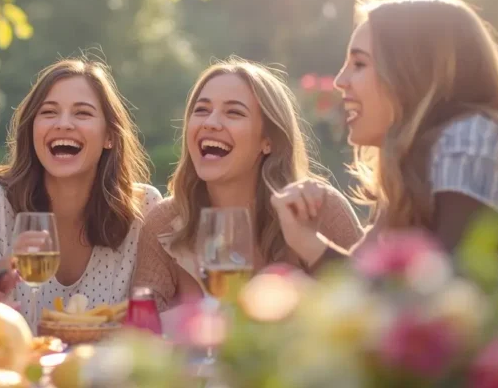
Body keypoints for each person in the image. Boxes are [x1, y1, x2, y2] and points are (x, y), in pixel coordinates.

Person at [272, 0, 498, 324]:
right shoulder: (416, 167)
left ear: (413, 71)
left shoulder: (471, 143)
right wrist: (306, 239)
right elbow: (363, 289)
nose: (339, 81)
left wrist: (310, 250)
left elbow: (436, 306)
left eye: (359, 64)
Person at [131, 59, 363, 309]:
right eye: (201, 110)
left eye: (234, 112)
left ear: (268, 140)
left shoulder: (318, 208)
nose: (210, 122)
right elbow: (142, 323)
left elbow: (370, 302)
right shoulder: (164, 223)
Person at [0, 58, 162, 312]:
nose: (63, 124)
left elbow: (155, 321)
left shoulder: (145, 208)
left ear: (110, 136)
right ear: (32, 130)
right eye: (49, 112)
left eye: (82, 113)